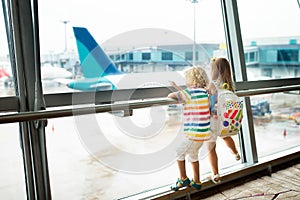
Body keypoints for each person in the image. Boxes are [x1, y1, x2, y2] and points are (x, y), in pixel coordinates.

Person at [168, 66, 211, 191]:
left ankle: (183, 179)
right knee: (193, 155)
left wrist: (176, 90)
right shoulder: (204, 93)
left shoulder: (188, 93)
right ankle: (196, 181)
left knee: (178, 152)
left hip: (193, 134)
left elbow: (171, 95)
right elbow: (190, 98)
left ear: (190, 80)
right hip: (203, 134)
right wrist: (179, 89)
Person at [206, 57, 241, 184]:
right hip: (225, 122)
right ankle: (236, 152)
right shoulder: (229, 85)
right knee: (225, 136)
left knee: (211, 148)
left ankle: (215, 174)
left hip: (213, 120)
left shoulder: (211, 84)